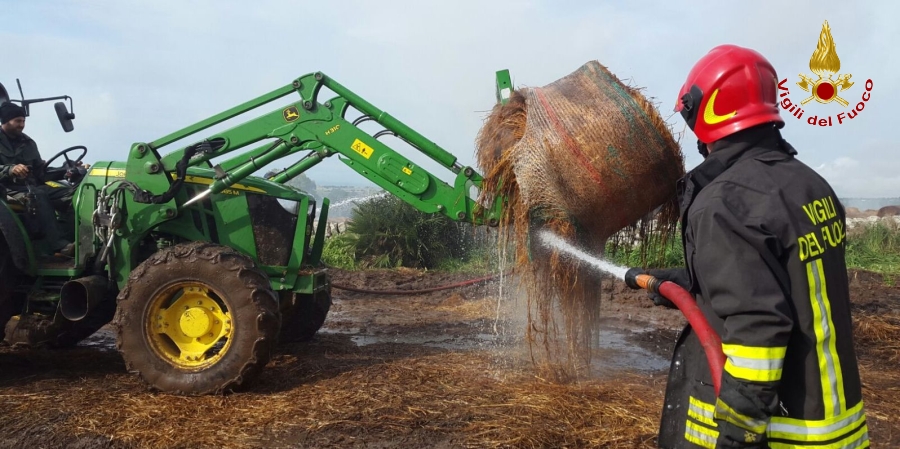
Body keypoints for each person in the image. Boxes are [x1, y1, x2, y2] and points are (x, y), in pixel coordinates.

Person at [641, 45, 868, 448]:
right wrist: (698, 285)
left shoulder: (724, 202)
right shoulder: (809, 184)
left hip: (781, 431)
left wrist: (738, 431)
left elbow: (758, 328)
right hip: (836, 423)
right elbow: (782, 277)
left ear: (702, 113)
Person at [0, 101, 76, 256]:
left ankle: (79, 241)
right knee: (37, 195)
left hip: (31, 186)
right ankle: (59, 245)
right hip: (7, 191)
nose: (22, 125)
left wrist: (66, 170)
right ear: (5, 121)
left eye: (23, 121)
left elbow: (41, 171)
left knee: (74, 193)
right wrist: (10, 170)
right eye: (18, 121)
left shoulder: (28, 142)